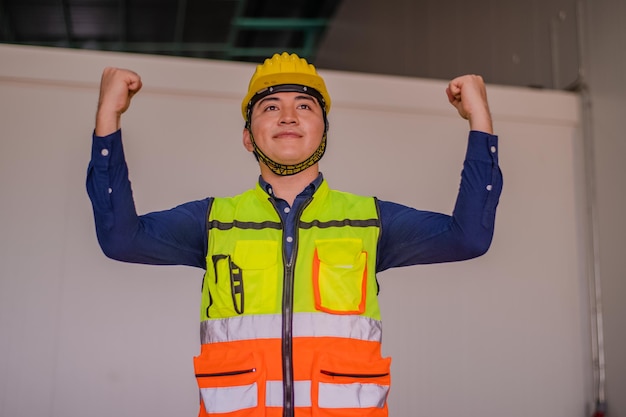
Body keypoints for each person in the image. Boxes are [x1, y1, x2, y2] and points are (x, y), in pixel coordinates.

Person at [87, 52, 502, 417]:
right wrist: (109, 117)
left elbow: (468, 237)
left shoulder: (369, 220)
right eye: (270, 107)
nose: (288, 116)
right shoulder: (214, 221)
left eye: (304, 105)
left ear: (324, 130)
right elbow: (122, 239)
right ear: (249, 137)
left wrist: (480, 121)